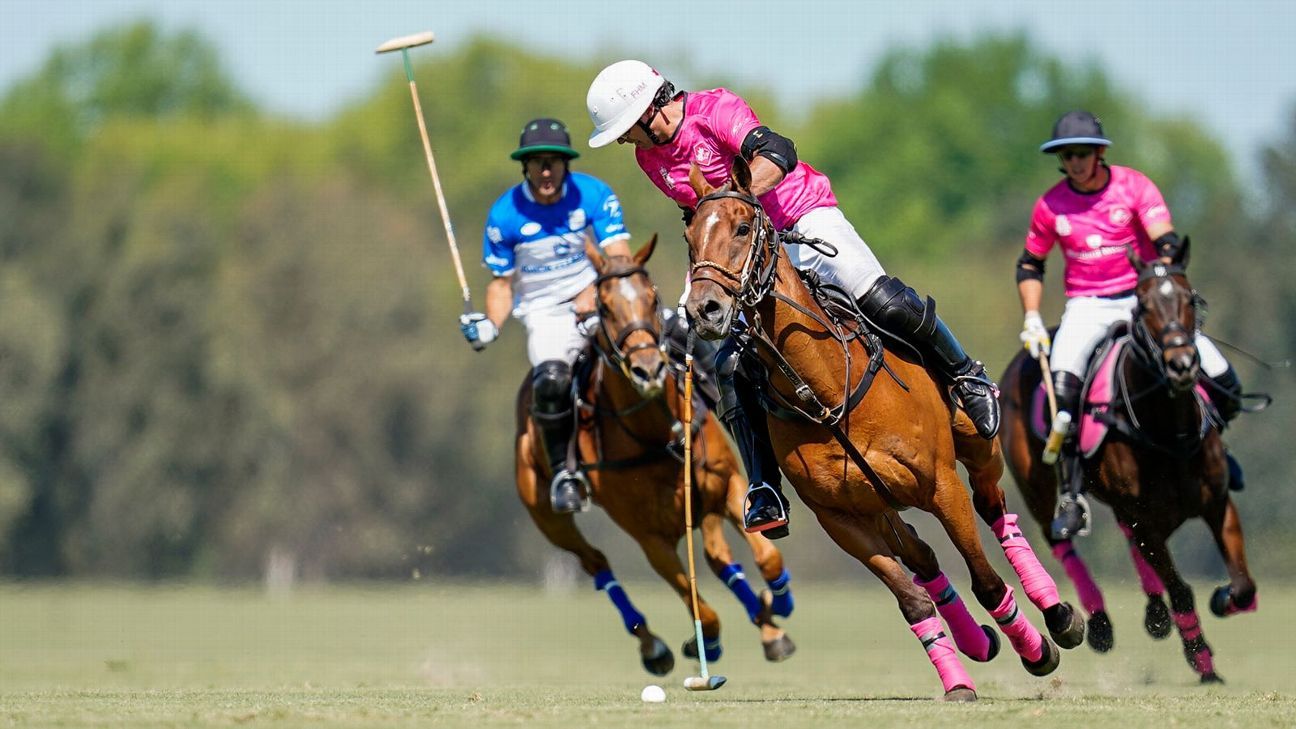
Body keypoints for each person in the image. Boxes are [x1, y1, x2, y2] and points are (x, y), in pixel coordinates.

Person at [585, 60, 1001, 539]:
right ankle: (764, 485)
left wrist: (736, 199)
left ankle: (966, 376)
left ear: (647, 108)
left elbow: (777, 152)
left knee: (882, 299)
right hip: (741, 255)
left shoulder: (714, 109)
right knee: (728, 364)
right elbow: (694, 218)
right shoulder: (650, 159)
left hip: (803, 219)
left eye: (623, 130)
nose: (622, 141)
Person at [1018, 110, 1248, 540]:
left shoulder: (1134, 186)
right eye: (1066, 156)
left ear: (1100, 153)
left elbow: (1165, 243)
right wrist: (1031, 316)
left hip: (1142, 300)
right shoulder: (1050, 205)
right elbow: (1031, 265)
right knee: (1062, 400)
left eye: (1082, 154)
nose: (1075, 162)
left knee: (1224, 381)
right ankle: (1072, 496)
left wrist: (1159, 291)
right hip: (1086, 306)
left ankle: (1220, 454)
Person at [460, 118, 632, 514]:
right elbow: (502, 284)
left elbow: (619, 254)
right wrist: (491, 324)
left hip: (597, 294)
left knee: (660, 337)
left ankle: (690, 427)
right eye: (537, 162)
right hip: (546, 313)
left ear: (565, 164)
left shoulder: (593, 194)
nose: (546, 171)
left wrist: (599, 289)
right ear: (526, 167)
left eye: (553, 161)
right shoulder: (505, 215)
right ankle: (563, 474)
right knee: (552, 380)